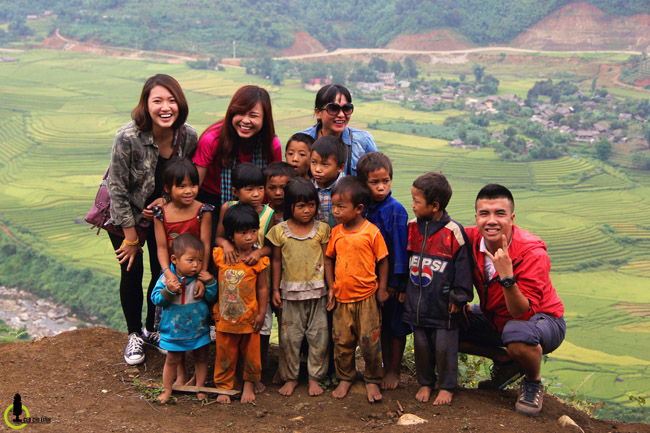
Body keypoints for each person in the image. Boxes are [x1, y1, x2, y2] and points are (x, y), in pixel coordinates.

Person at [106, 74, 198, 365]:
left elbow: (187, 181)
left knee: (163, 270)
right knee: (131, 270)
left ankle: (151, 328)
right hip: (126, 216)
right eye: (157, 100)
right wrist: (131, 238)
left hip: (164, 218)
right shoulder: (128, 137)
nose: (165, 107)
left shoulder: (188, 137)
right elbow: (116, 190)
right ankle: (134, 334)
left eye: (171, 100)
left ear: (180, 103)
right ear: (146, 105)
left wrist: (167, 201)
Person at [460, 184, 565, 417]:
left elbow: (522, 313)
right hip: (496, 318)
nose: (491, 221)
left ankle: (532, 382)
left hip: (542, 320)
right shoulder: (469, 239)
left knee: (517, 334)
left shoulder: (532, 252)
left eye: (500, 213)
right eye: (484, 213)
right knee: (443, 322)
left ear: (512, 218)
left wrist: (507, 277)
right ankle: (504, 360)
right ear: (476, 217)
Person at [402, 172, 473, 406]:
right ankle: (425, 382)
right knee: (421, 346)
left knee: (444, 348)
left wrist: (460, 296)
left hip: (444, 306)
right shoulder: (411, 228)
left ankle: (446, 386)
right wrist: (401, 288)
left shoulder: (453, 232)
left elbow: (464, 267)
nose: (412, 205)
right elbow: (404, 260)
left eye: (417, 201)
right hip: (417, 303)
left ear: (435, 206)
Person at [324, 176, 389, 403]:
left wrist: (381, 289)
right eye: (334, 206)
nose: (336, 211)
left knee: (370, 342)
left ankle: (372, 379)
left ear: (359, 208)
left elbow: (383, 260)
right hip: (342, 298)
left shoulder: (371, 232)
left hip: (367, 297)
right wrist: (331, 286)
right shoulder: (336, 233)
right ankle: (345, 376)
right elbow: (329, 259)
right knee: (342, 341)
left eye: (341, 207)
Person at [266, 178, 332, 397]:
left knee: (319, 338)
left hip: (318, 294)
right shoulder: (280, 231)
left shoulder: (322, 229)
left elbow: (327, 258)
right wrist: (275, 290)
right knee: (289, 339)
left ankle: (315, 378)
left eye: (311, 205)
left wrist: (331, 288)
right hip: (290, 294)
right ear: (290, 206)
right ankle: (290, 378)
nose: (307, 210)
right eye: (301, 206)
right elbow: (276, 261)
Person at [152, 159, 214, 384]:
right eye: (181, 186)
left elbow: (206, 244)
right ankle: (180, 374)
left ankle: (197, 377)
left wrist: (202, 276)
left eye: (193, 185)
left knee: (196, 321)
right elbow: (161, 247)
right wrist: (167, 274)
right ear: (167, 188)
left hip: (197, 271)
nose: (189, 191)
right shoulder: (161, 214)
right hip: (173, 272)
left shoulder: (202, 211)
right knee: (171, 325)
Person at [214, 163, 274, 392]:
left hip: (256, 272)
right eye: (249, 189)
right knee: (229, 339)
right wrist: (227, 244)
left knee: (258, 330)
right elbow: (219, 237)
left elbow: (271, 248)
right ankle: (233, 378)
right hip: (232, 275)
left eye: (260, 188)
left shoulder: (268, 214)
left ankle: (254, 376)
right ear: (235, 191)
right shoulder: (228, 208)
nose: (257, 194)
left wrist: (258, 252)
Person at [193, 85, 282, 234]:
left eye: (253, 115)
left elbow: (275, 184)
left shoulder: (271, 146)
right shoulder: (212, 140)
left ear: (264, 118)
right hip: (213, 201)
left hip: (256, 202)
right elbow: (194, 185)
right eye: (239, 113)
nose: (245, 121)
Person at [356, 152, 410, 391]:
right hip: (367, 280)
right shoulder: (362, 208)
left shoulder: (395, 210)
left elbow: (399, 249)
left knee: (394, 326)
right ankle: (378, 367)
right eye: (374, 182)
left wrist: (397, 284)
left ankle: (394, 369)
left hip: (390, 283)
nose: (381, 187)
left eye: (385, 181)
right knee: (375, 326)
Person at [151, 233, 217, 403]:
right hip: (174, 331)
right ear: (174, 259)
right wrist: (169, 291)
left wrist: (210, 282)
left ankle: (200, 388)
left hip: (198, 329)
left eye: (200, 260)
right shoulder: (167, 279)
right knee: (172, 359)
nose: (196, 265)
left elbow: (211, 297)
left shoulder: (200, 279)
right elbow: (156, 299)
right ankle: (167, 389)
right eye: (191, 260)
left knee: (201, 357)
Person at [300, 84, 377, 176]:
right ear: (318, 113)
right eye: (333, 109)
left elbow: (379, 178)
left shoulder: (363, 141)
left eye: (346, 108)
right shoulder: (301, 141)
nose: (341, 114)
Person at [310, 136, 347, 228]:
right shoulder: (308, 188)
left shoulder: (347, 190)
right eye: (314, 162)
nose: (317, 169)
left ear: (340, 167)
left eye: (325, 164)